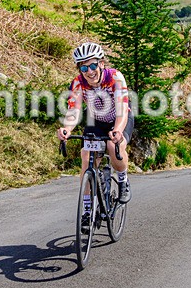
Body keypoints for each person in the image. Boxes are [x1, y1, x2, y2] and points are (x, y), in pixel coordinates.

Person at [57, 43, 134, 229]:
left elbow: (122, 110)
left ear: (101, 63)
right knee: (86, 155)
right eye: (84, 68)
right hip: (96, 121)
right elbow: (73, 111)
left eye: (92, 66)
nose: (89, 71)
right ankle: (87, 209)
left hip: (119, 118)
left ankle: (123, 180)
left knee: (112, 147)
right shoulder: (78, 83)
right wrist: (66, 129)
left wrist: (116, 131)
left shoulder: (115, 77)